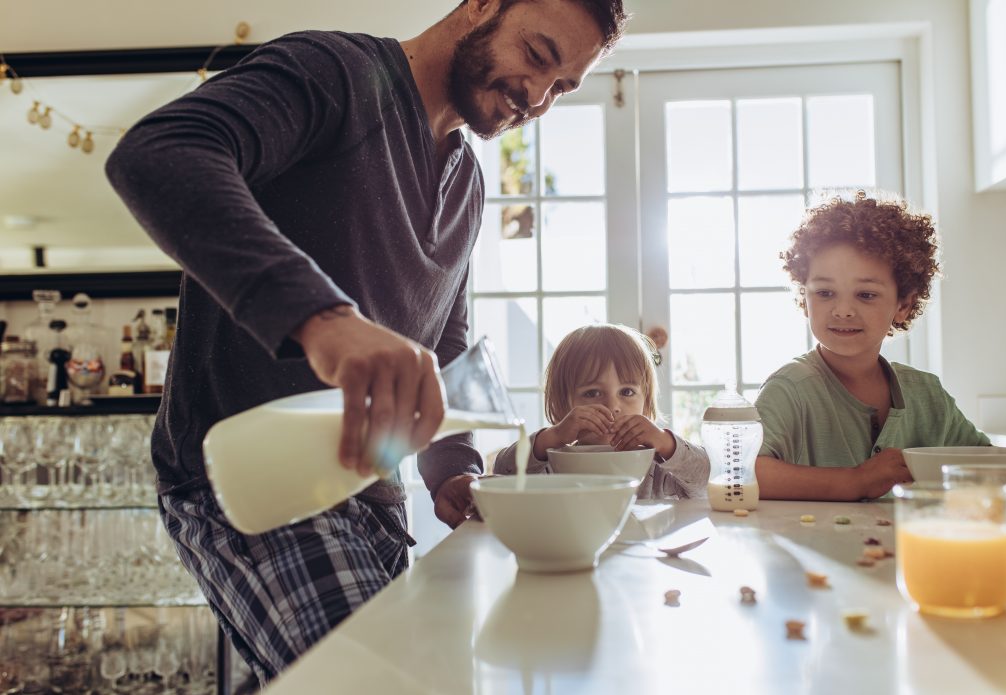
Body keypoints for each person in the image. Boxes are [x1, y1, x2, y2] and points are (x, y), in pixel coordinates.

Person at [105, 0, 629, 683]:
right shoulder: (337, 74)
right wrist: (323, 318)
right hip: (254, 483)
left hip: (373, 497)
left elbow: (443, 341)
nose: (535, 97)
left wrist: (451, 471)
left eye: (561, 86)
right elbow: (160, 152)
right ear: (480, 7)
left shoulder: (466, 183)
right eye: (535, 56)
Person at [754, 191, 1006, 502]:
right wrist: (854, 481)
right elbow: (744, 473)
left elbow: (979, 460)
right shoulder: (790, 388)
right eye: (825, 293)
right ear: (804, 298)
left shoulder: (926, 394)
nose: (842, 310)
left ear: (904, 305)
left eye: (866, 295)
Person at [494, 324, 709, 499]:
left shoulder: (659, 465)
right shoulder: (552, 462)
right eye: (592, 393)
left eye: (626, 391)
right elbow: (502, 472)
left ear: (646, 403)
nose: (612, 405)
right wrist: (553, 436)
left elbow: (710, 479)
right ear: (562, 406)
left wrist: (666, 443)